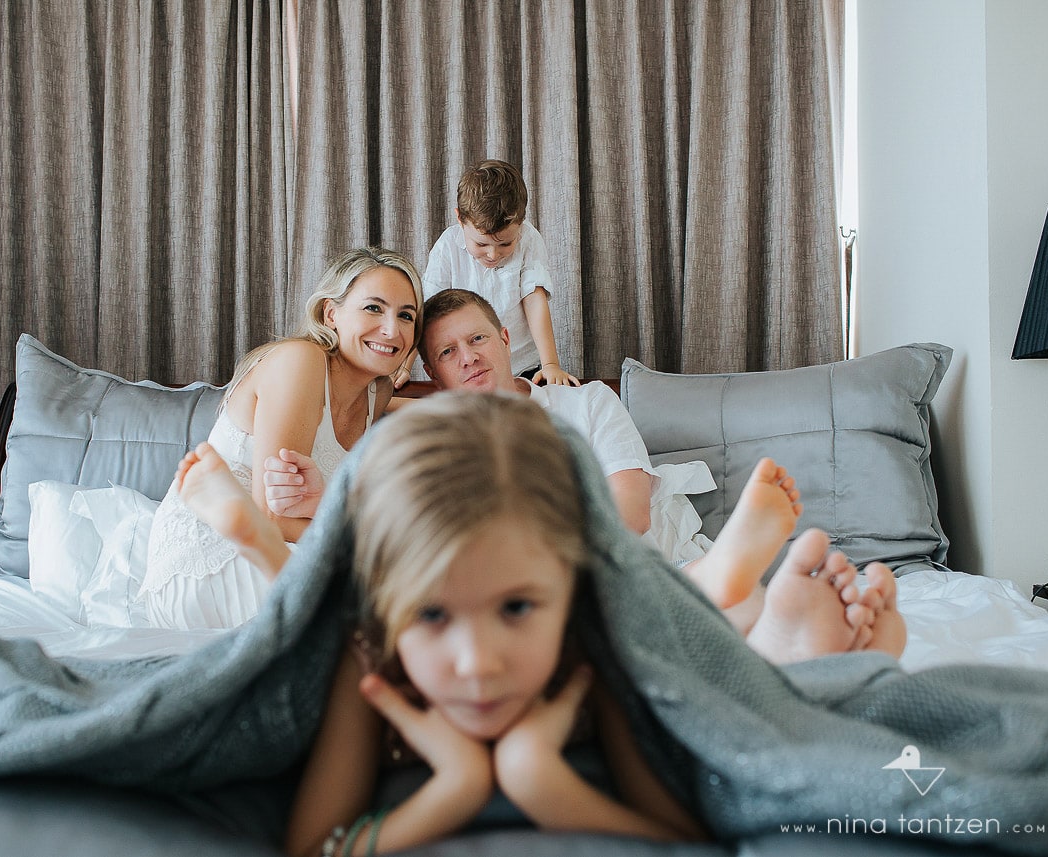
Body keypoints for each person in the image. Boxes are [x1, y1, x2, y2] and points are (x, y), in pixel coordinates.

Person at [170, 393, 904, 855]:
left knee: (701, 640)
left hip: (623, 624)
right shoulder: (368, 658)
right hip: (361, 609)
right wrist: (454, 786)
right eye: (431, 613)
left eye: (516, 607)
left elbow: (688, 833)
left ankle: (764, 626)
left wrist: (540, 781)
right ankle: (264, 545)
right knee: (317, 612)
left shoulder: (597, 638)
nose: (478, 661)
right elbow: (314, 845)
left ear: (571, 592)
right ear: (390, 614)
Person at [266, 289, 893, 655]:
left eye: (478, 340)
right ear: (434, 374)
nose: (470, 360)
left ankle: (749, 603)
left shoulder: (585, 401)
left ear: (505, 336)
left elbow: (632, 507)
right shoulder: (439, 433)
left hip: (608, 552)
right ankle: (744, 601)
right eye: (448, 355)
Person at [138, 247, 423, 630]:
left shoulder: (378, 392)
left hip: (291, 546)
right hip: (213, 557)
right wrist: (370, 541)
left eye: (406, 315)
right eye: (374, 308)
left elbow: (421, 412)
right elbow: (272, 517)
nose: (393, 330)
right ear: (330, 313)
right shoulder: (300, 361)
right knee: (383, 606)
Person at [399, 159, 579, 388]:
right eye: (481, 244)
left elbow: (534, 300)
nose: (493, 255)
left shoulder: (529, 239)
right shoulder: (447, 246)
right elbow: (427, 310)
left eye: (505, 244)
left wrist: (550, 364)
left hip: (524, 367)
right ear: (460, 219)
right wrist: (404, 366)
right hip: (465, 368)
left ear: (520, 225)